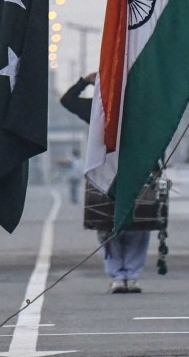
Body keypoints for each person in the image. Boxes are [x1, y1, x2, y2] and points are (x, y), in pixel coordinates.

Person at [62, 72, 151, 293]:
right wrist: (84, 81)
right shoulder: (97, 109)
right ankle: (118, 276)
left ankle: (131, 274)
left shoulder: (141, 107)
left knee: (138, 225)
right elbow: (67, 101)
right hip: (105, 173)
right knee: (107, 226)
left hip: (134, 172)